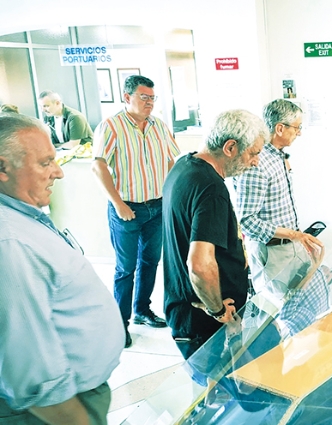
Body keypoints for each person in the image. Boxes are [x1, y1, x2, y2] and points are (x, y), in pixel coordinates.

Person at [0, 113, 123, 425]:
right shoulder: (9, 242)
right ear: (2, 167)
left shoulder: (23, 218)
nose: (58, 173)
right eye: (44, 163)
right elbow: (30, 368)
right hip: (55, 412)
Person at [163, 109, 268, 359]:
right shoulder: (211, 188)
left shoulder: (184, 166)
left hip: (185, 311)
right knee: (217, 392)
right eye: (253, 153)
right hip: (203, 323)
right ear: (230, 147)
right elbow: (200, 264)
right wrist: (218, 310)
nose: (256, 162)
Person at [91, 75, 181, 347]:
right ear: (127, 97)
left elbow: (171, 161)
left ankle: (142, 310)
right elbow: (98, 167)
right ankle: (121, 324)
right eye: (144, 97)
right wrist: (118, 203)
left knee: (150, 262)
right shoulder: (111, 127)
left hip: (156, 207)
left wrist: (169, 197)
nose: (149, 103)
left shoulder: (159, 126)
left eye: (152, 98)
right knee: (125, 269)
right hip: (126, 209)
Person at [233, 99, 324, 297]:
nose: (299, 132)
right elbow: (247, 221)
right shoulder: (257, 163)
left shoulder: (278, 156)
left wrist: (299, 238)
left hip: (290, 247)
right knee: (277, 313)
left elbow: (282, 206)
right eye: (297, 127)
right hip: (271, 253)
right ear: (280, 128)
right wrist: (294, 235)